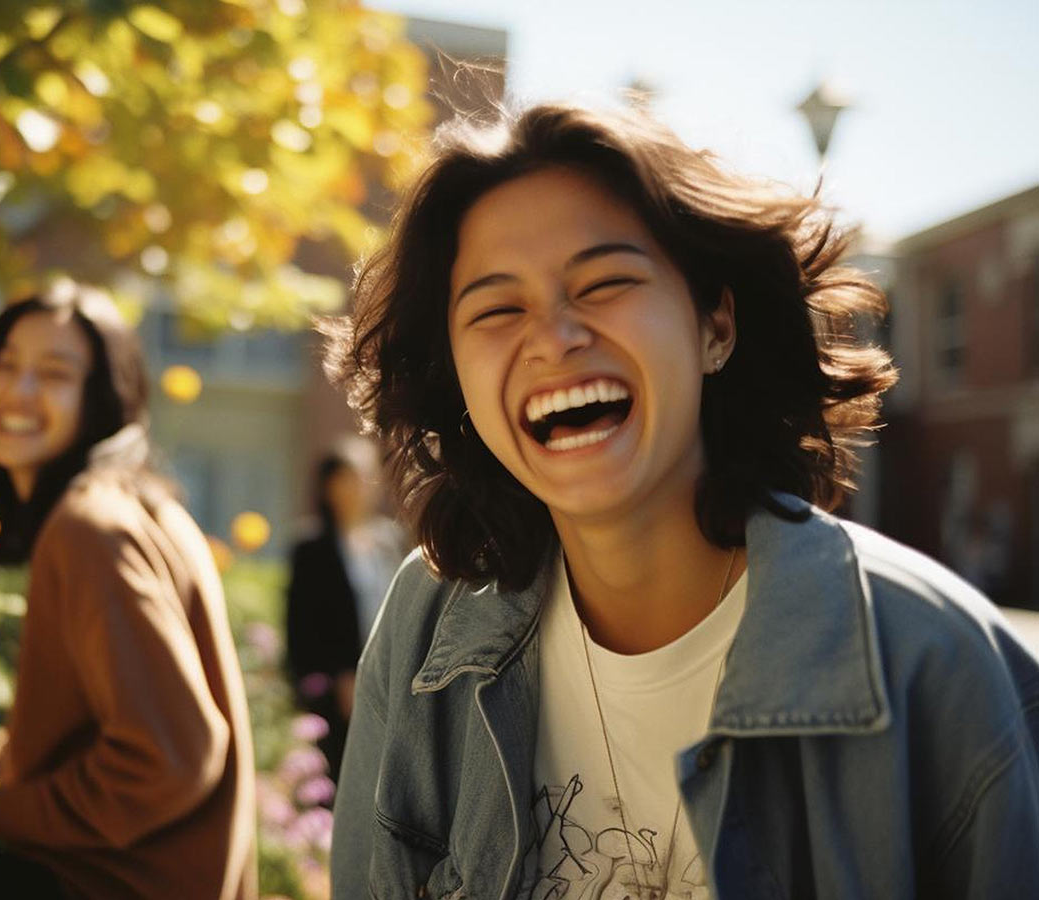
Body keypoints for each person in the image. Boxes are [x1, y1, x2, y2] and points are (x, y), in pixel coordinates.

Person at [324, 103, 1039, 900]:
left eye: (605, 283)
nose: (554, 337)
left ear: (715, 326)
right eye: (497, 309)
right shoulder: (425, 628)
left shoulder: (931, 657)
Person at [0, 288, 257, 899]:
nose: (18, 391)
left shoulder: (89, 527)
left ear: (103, 401)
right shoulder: (138, 507)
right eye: (5, 364)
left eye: (54, 374)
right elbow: (94, 724)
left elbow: (172, 757)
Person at [285, 443, 405, 780]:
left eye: (365, 477)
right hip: (335, 692)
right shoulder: (311, 548)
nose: (358, 487)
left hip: (388, 681)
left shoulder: (389, 542)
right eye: (347, 478)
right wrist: (340, 675)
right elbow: (302, 624)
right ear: (328, 485)